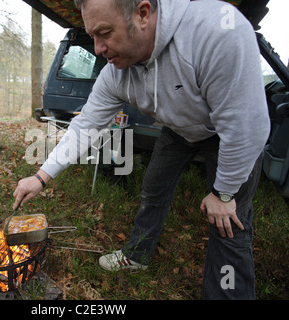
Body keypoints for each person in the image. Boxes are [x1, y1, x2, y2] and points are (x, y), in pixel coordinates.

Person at [13, 0, 270, 299]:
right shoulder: (115, 72)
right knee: (153, 190)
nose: (97, 48)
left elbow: (247, 127)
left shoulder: (216, 32)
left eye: (105, 33)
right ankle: (136, 255)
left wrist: (223, 193)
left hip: (228, 135)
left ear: (143, 14)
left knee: (229, 223)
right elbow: (85, 128)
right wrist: (41, 176)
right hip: (177, 130)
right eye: (93, 36)